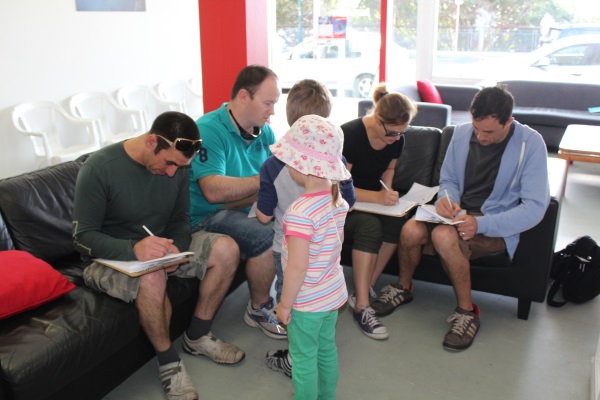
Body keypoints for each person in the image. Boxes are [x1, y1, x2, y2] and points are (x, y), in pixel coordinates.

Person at [72, 111, 244, 400]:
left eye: (180, 166)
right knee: (152, 276)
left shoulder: (178, 164)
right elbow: (82, 237)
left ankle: (198, 336)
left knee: (228, 248)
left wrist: (177, 246)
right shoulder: (99, 167)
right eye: (169, 163)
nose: (173, 173)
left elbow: (180, 218)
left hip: (161, 247)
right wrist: (133, 249)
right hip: (108, 257)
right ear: (151, 141)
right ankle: (169, 364)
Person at [373, 84, 550, 351]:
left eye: (488, 131)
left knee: (443, 236)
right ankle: (403, 287)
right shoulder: (462, 133)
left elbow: (536, 206)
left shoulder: (531, 142)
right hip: (456, 215)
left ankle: (467, 312)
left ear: (509, 122)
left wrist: (482, 223)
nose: (480, 136)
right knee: (410, 230)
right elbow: (449, 180)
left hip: (494, 222)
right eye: (476, 127)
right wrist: (447, 199)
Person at [256, 79, 356, 379]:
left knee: (300, 335)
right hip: (329, 278)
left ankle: (293, 357)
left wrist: (284, 305)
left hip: (293, 259)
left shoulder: (273, 167)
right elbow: (349, 203)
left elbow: (263, 217)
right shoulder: (337, 180)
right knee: (325, 346)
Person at [189, 64, 286, 340]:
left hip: (246, 206)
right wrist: (265, 178)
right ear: (244, 96)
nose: (273, 111)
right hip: (208, 215)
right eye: (268, 103)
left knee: (296, 222)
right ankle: (259, 307)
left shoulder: (263, 131)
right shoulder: (208, 130)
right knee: (268, 236)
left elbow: (276, 176)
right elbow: (213, 191)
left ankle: (285, 299)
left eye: (274, 103)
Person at [272, 114, 351, 400]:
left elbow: (297, 267)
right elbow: (337, 243)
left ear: (301, 166)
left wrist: (284, 305)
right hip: (332, 295)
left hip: (306, 302)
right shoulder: (337, 201)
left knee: (303, 359)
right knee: (326, 348)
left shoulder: (299, 214)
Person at [340, 83, 417, 340]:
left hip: (371, 201)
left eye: (401, 133)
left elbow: (389, 169)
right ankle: (362, 307)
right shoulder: (349, 134)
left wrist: (390, 192)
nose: (396, 139)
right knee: (371, 226)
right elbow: (339, 187)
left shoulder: (397, 139)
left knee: (398, 224)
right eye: (392, 133)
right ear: (377, 118)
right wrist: (378, 197)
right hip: (343, 206)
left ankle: (366, 287)